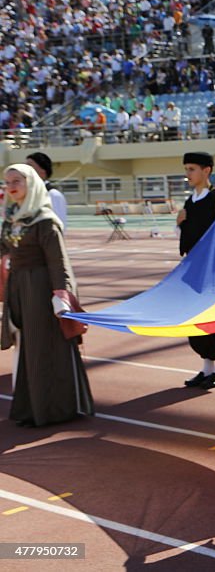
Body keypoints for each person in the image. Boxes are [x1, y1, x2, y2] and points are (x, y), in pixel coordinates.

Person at [2, 164, 92, 427]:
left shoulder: (45, 221)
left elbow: (58, 262)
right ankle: (31, 407)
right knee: (28, 349)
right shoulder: (12, 218)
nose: (11, 186)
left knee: (44, 347)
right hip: (19, 288)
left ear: (31, 183)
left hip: (41, 289)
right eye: (7, 182)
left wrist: (61, 295)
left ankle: (54, 409)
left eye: (17, 181)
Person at [178, 153, 215, 389]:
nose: (187, 174)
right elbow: (185, 239)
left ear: (207, 170)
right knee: (197, 318)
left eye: (192, 169)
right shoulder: (189, 201)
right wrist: (180, 223)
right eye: (186, 169)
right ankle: (206, 369)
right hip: (193, 269)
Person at [25, 152, 67, 227]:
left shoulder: (53, 195)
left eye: (30, 167)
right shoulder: (27, 194)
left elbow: (58, 226)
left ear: (43, 171)